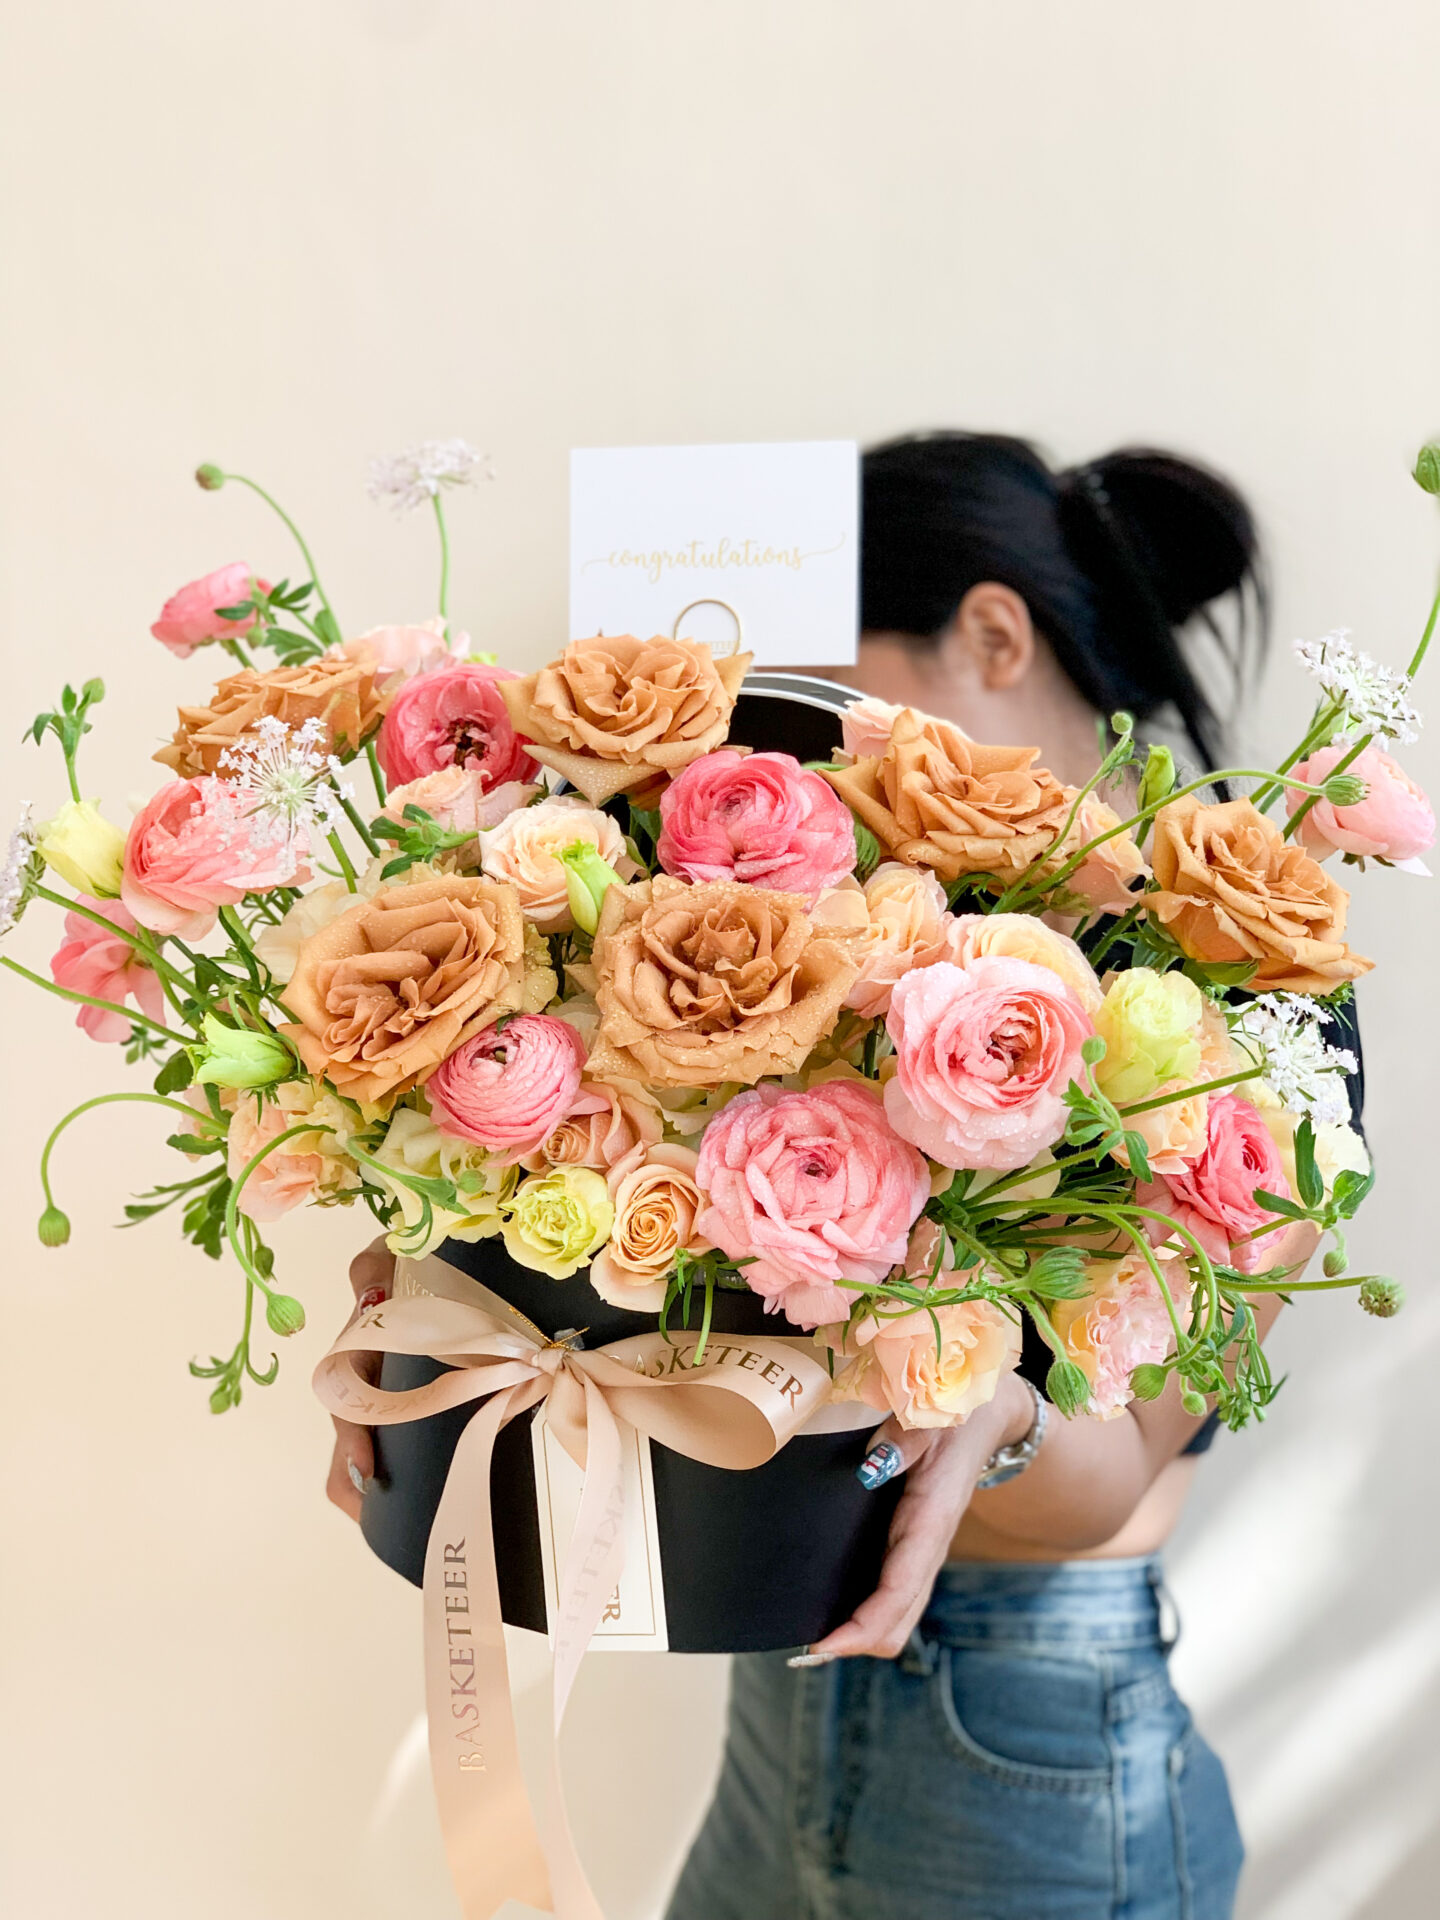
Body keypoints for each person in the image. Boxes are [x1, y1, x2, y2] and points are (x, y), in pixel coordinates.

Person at [327, 433, 1333, 1920]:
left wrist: (969, 1399)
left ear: (993, 633)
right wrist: (490, 1333)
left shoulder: (1247, 975)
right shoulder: (850, 955)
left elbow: (1106, 1485)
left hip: (1030, 1753)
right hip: (779, 1726)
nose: (806, 746)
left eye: (835, 683)